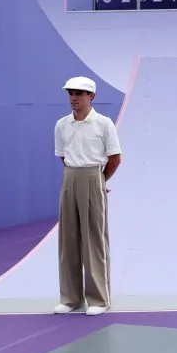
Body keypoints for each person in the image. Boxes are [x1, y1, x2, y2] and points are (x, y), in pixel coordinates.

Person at [53, 76, 122, 316]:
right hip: (70, 177)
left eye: (79, 94)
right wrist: (75, 175)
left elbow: (115, 158)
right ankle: (71, 298)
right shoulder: (61, 125)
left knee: (94, 238)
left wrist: (99, 180)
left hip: (94, 175)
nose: (73, 98)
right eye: (71, 93)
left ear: (91, 96)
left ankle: (99, 299)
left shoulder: (103, 124)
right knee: (68, 239)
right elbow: (63, 156)